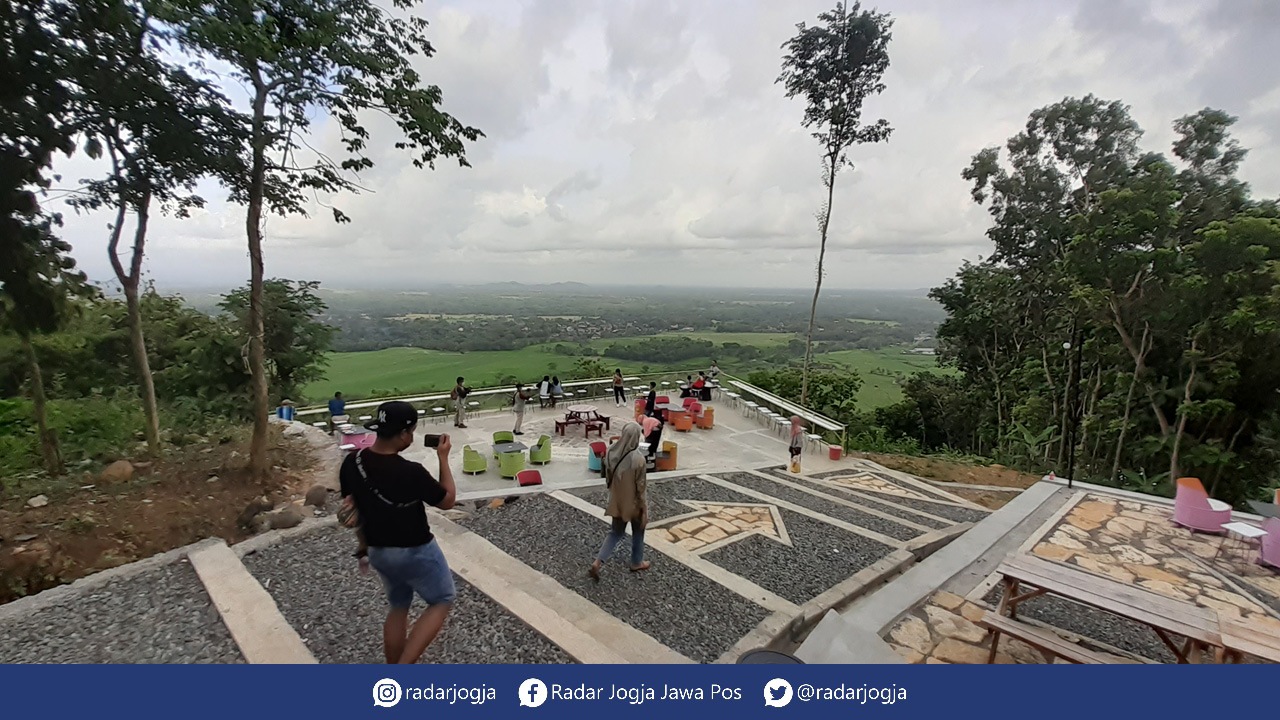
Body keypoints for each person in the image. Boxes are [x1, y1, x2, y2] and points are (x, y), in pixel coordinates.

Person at [339, 401, 457, 664]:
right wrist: (443, 458)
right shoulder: (410, 472)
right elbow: (447, 500)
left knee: (399, 606)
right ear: (404, 434)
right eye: (412, 431)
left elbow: (351, 503)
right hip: (415, 551)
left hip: (378, 550)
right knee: (442, 599)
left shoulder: (352, 462)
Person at [589, 423, 650, 580]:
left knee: (615, 532)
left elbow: (607, 475)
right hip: (633, 502)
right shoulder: (639, 459)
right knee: (638, 531)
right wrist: (644, 509)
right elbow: (641, 487)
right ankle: (636, 562)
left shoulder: (611, 451)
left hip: (617, 498)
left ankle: (598, 561)